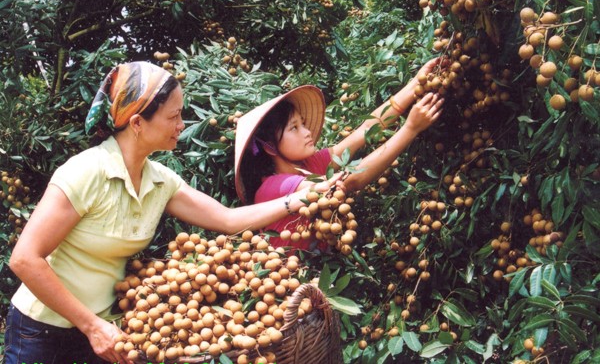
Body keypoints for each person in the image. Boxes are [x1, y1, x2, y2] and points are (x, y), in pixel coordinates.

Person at [5, 61, 338, 364]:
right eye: (173, 116)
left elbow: (226, 220)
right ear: (137, 122)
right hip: (41, 329)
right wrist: (91, 325)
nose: (181, 124)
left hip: (106, 329)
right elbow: (24, 259)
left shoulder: (160, 181)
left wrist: (300, 198)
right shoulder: (86, 172)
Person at [234, 58, 446, 252]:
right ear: (269, 147)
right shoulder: (273, 188)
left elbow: (364, 131)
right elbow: (351, 181)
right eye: (294, 128)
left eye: (304, 124)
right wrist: (410, 129)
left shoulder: (308, 165)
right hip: (296, 286)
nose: (307, 132)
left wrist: (414, 85)